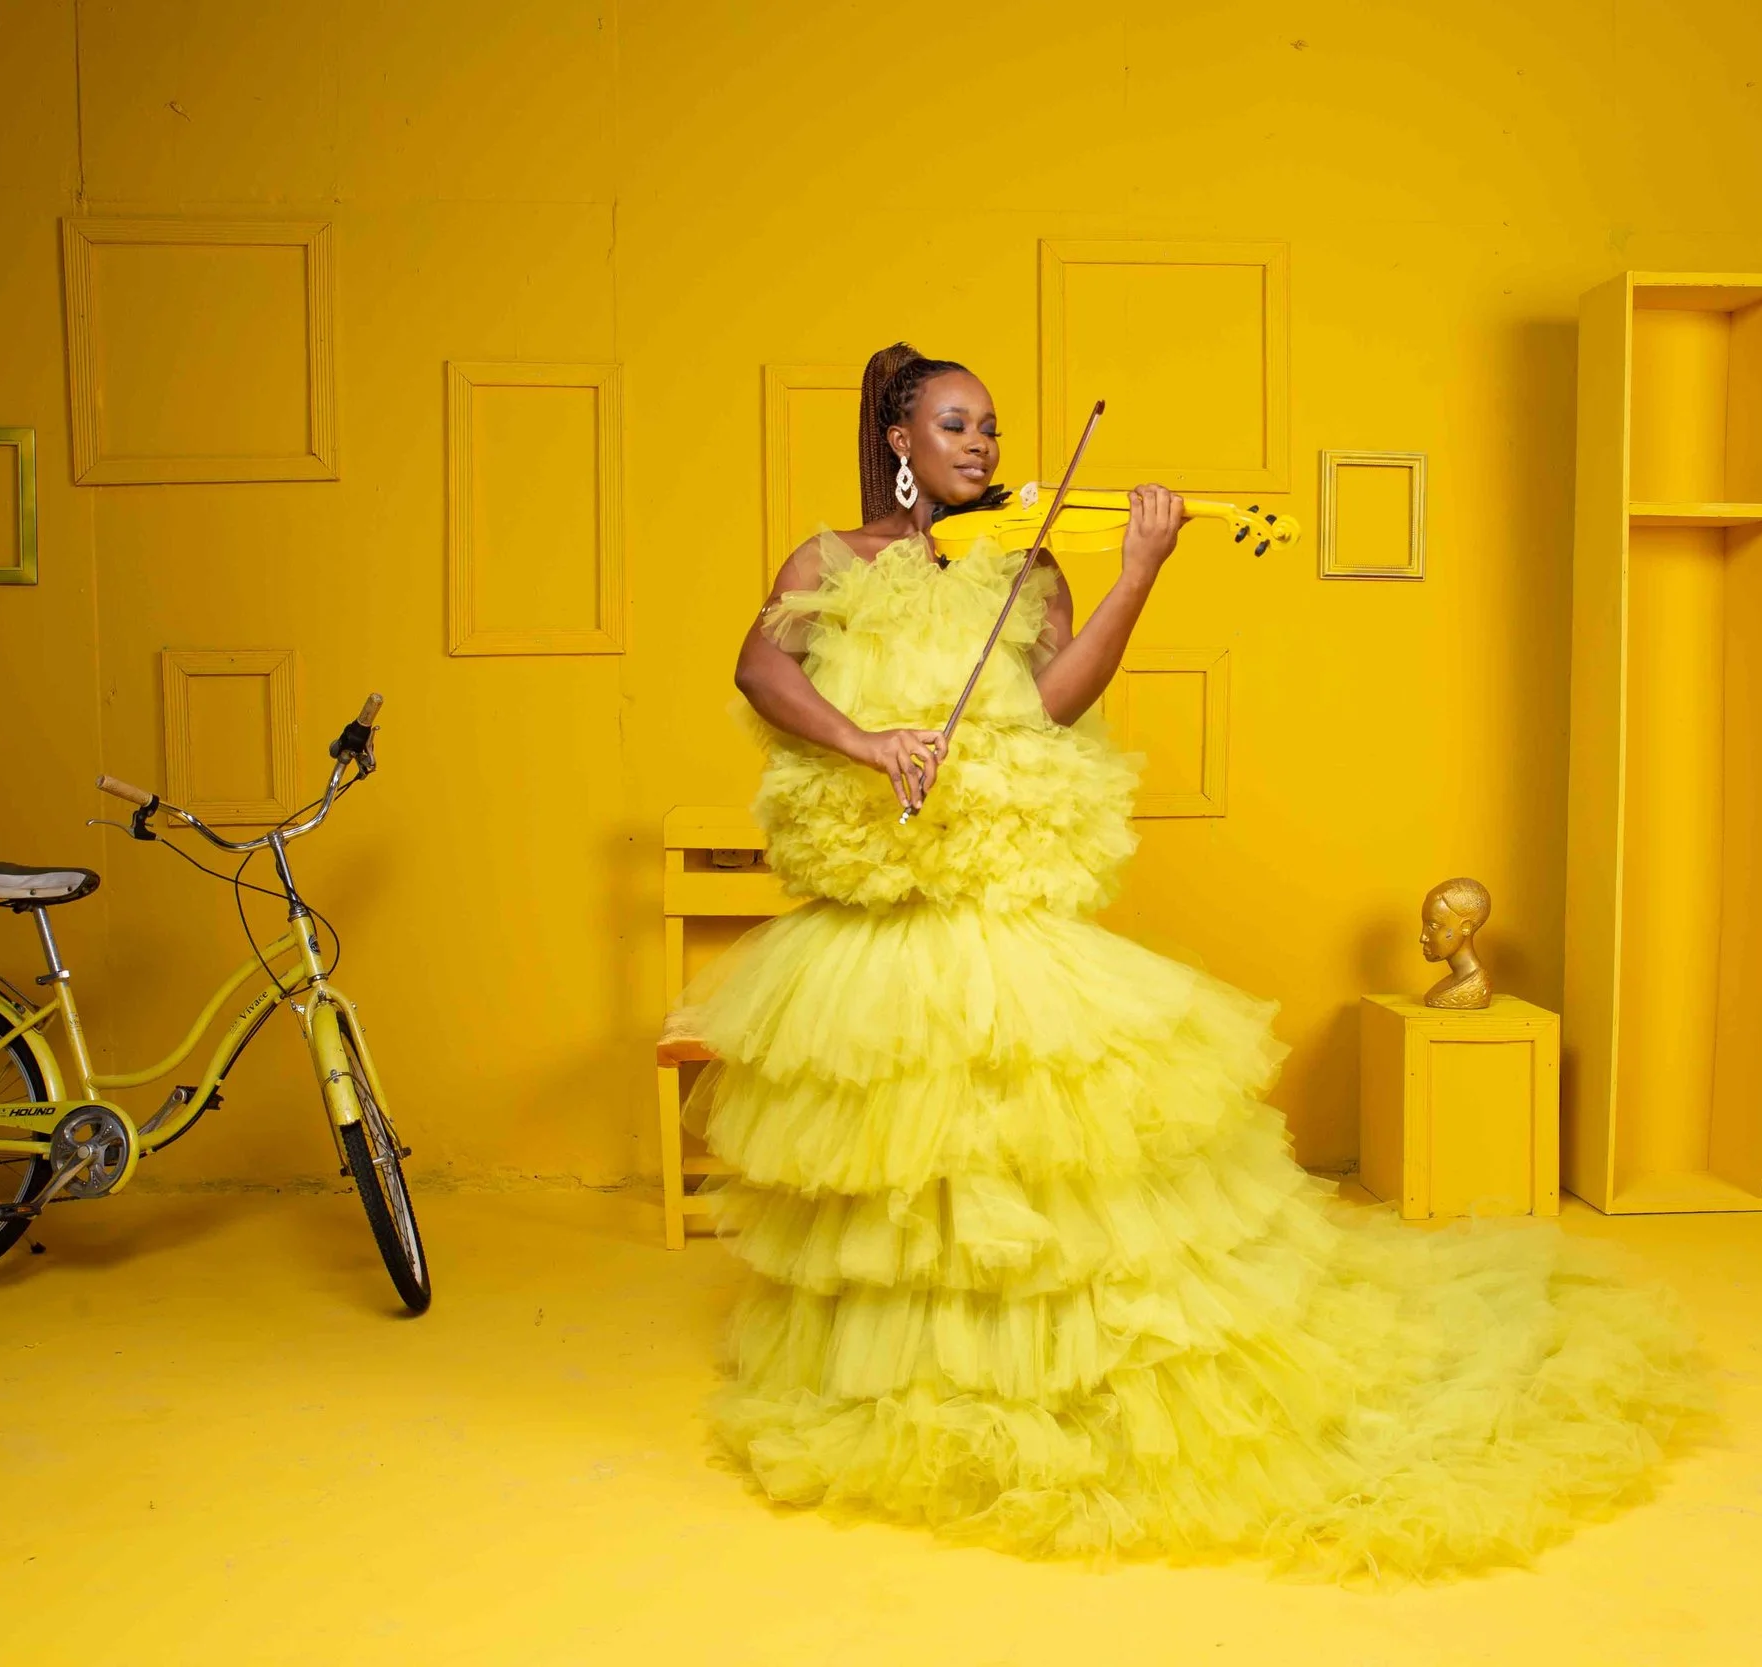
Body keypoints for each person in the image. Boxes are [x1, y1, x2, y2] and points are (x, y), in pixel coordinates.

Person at [667, 342, 1709, 1582]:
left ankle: (1035, 1374)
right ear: (898, 438)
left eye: (992, 426)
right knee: (903, 1166)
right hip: (878, 917)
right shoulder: (828, 561)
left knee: (1026, 1153)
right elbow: (758, 666)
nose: (984, 445)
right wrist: (865, 737)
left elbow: (1054, 700)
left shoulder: (1028, 555)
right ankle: (919, 1370)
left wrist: (1139, 574)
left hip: (997, 901)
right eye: (956, 424)